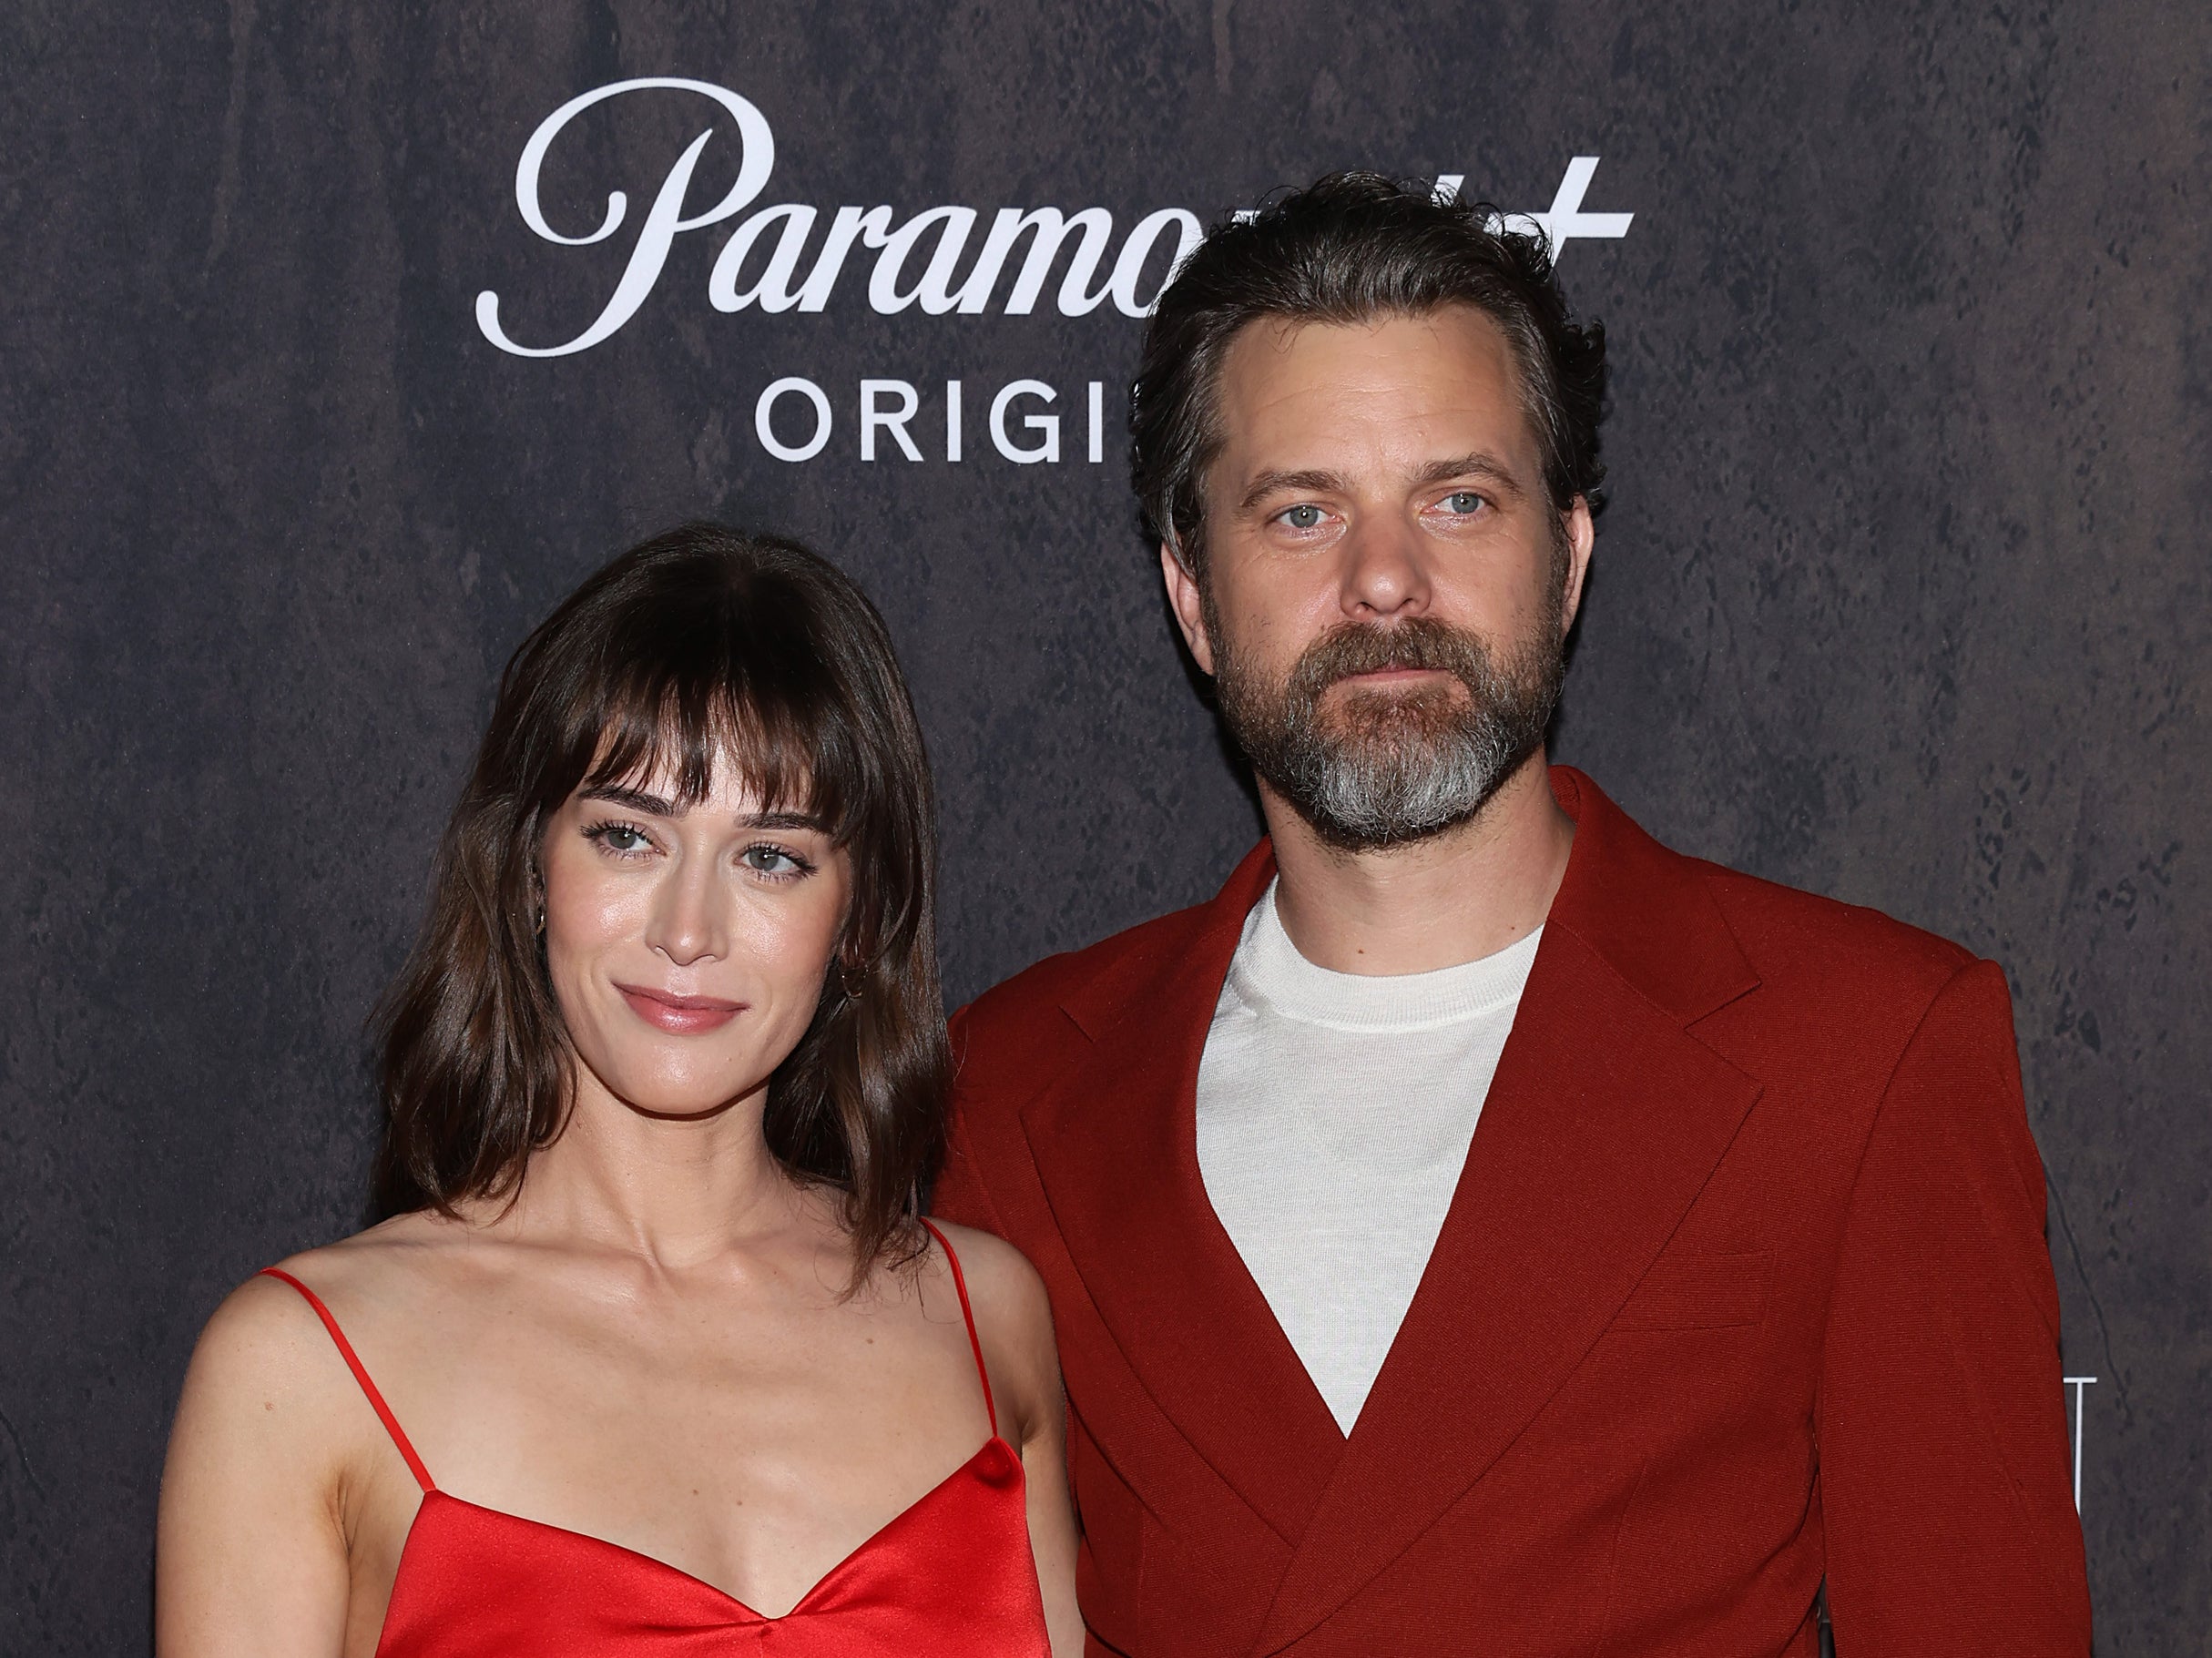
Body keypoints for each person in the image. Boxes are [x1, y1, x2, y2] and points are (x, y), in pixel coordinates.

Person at [932, 175, 2093, 1656]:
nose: (1382, 581)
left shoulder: (1860, 1054)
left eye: (1456, 499)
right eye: (1300, 511)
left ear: (1567, 559)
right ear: (1190, 594)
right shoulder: (1012, 1082)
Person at [158, 524, 1081, 1658]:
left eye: (769, 857)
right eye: (627, 837)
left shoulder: (984, 1320)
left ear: (857, 922)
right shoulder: (298, 1371)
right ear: (533, 871)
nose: (687, 932)